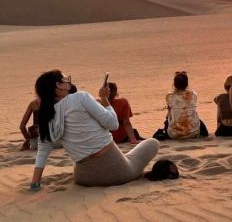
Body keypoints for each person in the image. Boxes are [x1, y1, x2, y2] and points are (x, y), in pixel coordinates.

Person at [30, 70, 160, 189]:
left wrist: (35, 183)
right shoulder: (80, 97)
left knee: (128, 156)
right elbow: (113, 124)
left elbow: (43, 149)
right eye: (67, 79)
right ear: (59, 85)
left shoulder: (46, 115)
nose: (69, 82)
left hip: (83, 178)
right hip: (116, 173)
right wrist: (104, 99)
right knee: (153, 143)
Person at [163, 71, 209, 139]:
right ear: (187, 84)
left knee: (168, 119)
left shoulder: (169, 96)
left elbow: (168, 114)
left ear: (174, 84)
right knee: (196, 117)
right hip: (193, 132)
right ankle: (205, 135)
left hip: (174, 135)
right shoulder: (193, 94)